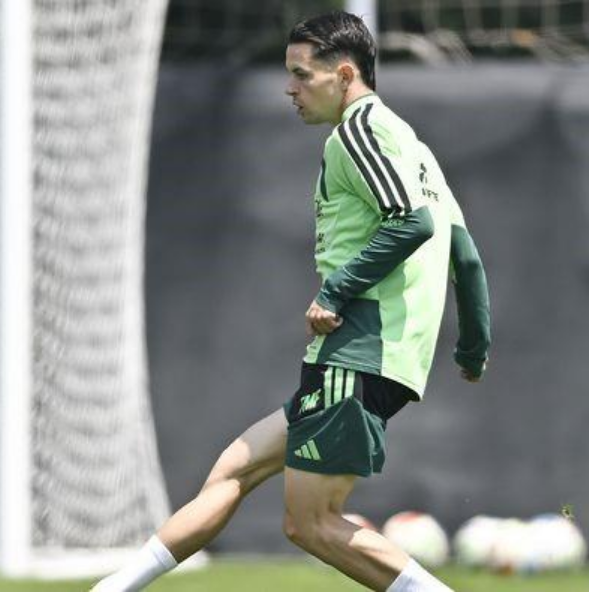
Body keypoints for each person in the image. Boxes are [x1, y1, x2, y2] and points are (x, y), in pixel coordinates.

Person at [92, 10, 490, 592]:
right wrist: (474, 349)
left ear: (345, 74)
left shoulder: (356, 131)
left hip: (358, 352)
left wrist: (336, 289)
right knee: (235, 467)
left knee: (311, 524)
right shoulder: (416, 148)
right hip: (373, 359)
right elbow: (468, 257)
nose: (290, 88)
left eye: (303, 75)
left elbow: (412, 222)